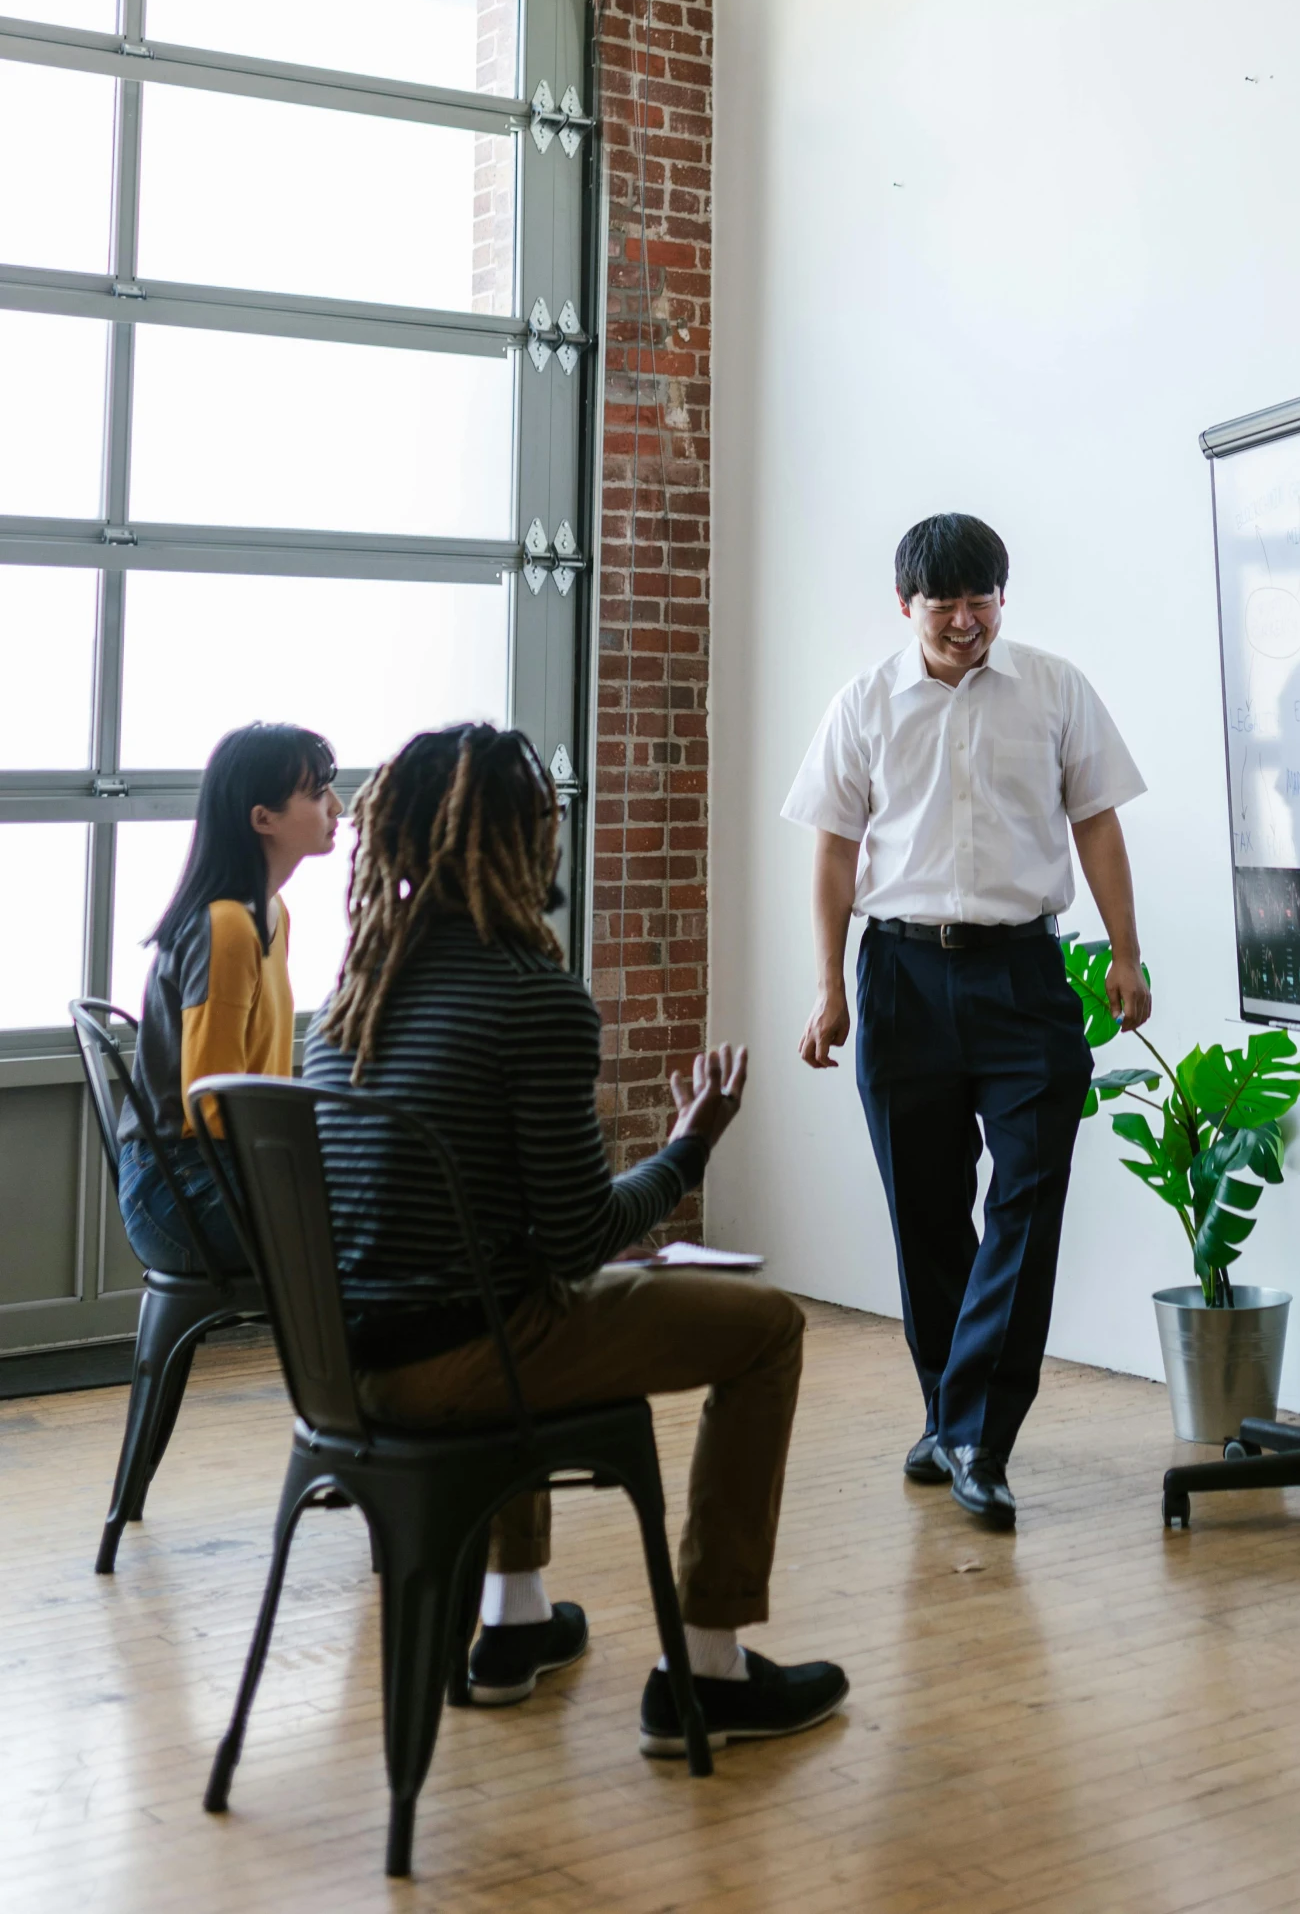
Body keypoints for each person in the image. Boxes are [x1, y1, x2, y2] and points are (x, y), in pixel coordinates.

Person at [304, 722, 848, 1754]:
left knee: (511, 1292)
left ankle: (516, 1624)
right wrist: (688, 1151)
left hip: (345, 1375)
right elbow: (576, 1239)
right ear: (523, 842)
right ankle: (710, 1664)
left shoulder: (345, 1008)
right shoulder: (531, 999)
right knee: (767, 1325)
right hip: (465, 1364)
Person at [784, 512, 1150, 1531]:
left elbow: (1097, 822)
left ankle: (978, 1436)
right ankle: (946, 1412)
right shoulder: (863, 703)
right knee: (927, 1213)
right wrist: (829, 986)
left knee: (1029, 1195)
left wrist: (1124, 949)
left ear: (1002, 596)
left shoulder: (1054, 689)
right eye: (941, 601)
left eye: (979, 596)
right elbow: (831, 852)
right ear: (906, 605)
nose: (962, 618)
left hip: (1023, 975)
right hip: (899, 973)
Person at [120, 722, 342, 1277]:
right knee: (380, 1221)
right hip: (179, 1187)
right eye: (316, 794)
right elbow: (210, 1103)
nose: (337, 807)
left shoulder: (271, 913)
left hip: (218, 1168)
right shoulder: (227, 925)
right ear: (262, 819)